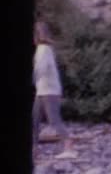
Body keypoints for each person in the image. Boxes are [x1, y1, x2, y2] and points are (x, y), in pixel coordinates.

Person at [32, 21, 77, 160]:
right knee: (34, 120)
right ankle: (34, 150)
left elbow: (41, 69)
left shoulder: (43, 49)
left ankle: (69, 147)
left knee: (54, 120)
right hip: (43, 90)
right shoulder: (45, 49)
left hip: (49, 91)